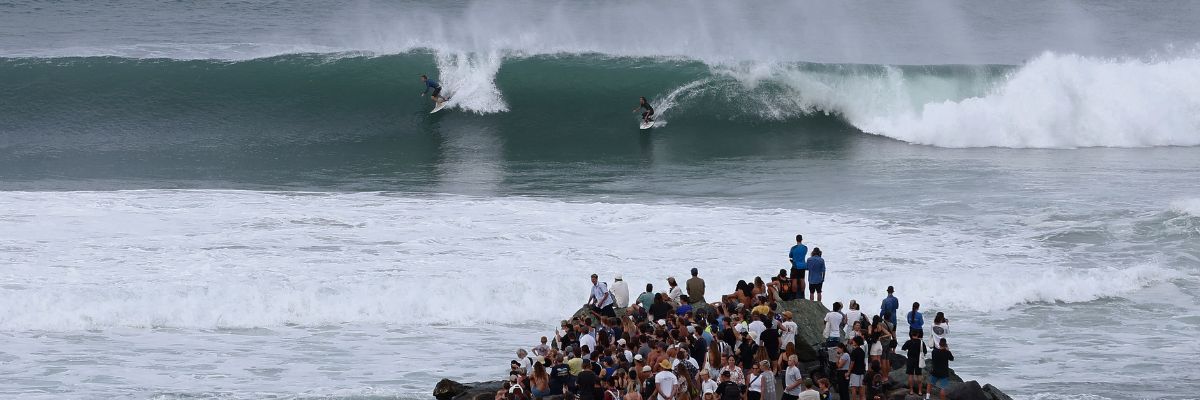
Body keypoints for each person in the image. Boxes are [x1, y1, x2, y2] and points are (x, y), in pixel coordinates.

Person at [900, 332, 925, 396]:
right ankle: (920, 391)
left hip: (910, 360)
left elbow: (903, 348)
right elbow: (925, 351)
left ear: (911, 335)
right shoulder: (921, 342)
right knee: (919, 375)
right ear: (918, 334)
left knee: (910, 375)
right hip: (918, 360)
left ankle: (911, 391)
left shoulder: (909, 342)